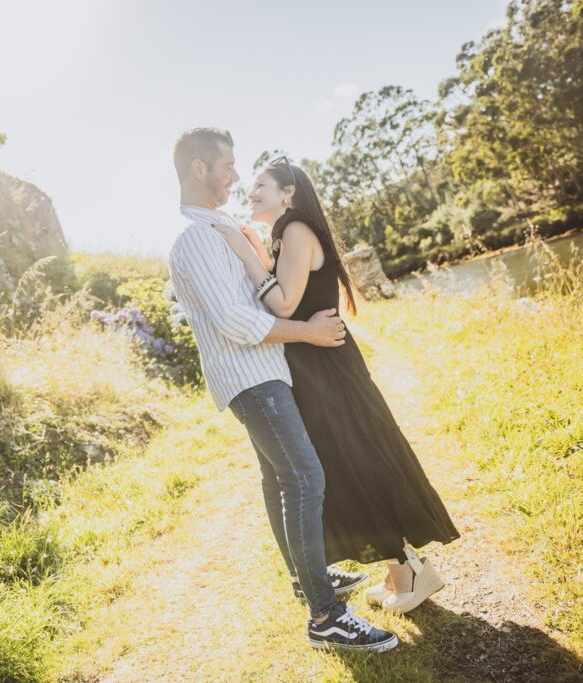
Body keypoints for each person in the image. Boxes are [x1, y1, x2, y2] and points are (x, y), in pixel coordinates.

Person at [167, 128, 398, 652]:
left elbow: (265, 290)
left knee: (279, 479)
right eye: (227, 166)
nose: (234, 175)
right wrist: (309, 332)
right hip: (251, 376)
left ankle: (307, 579)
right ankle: (326, 617)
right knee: (304, 477)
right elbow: (232, 320)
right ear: (199, 169)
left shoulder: (221, 227)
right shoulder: (197, 238)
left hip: (265, 370)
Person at [211, 154, 460, 615]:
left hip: (324, 365)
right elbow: (288, 294)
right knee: (347, 463)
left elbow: (283, 305)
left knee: (353, 461)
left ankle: (407, 572)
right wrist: (257, 249)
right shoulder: (286, 234)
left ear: (287, 192)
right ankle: (402, 567)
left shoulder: (296, 230)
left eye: (259, 185)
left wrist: (245, 251)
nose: (249, 192)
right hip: (315, 362)